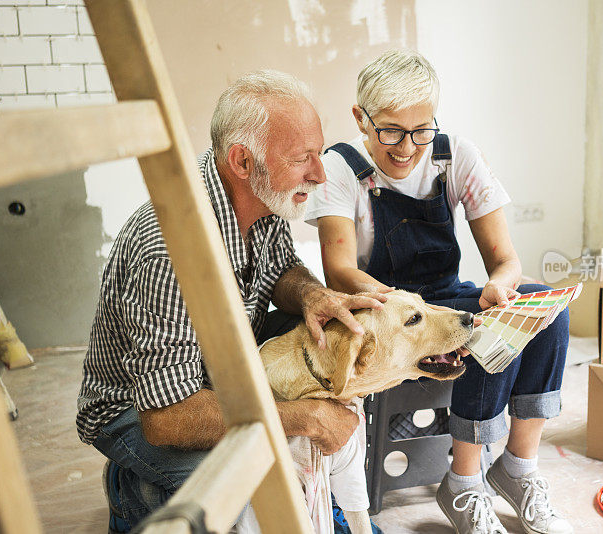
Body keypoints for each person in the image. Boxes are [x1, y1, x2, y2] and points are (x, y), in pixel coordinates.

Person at [76, 70, 387, 532]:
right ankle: (135, 487)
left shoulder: (261, 195)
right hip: (136, 412)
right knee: (261, 486)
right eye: (303, 158)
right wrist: (305, 418)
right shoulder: (170, 252)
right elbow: (166, 418)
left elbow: (280, 265)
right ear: (242, 162)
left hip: (218, 375)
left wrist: (310, 294)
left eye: (319, 153)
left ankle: (319, 504)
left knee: (331, 397)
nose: (320, 174)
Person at [304, 50, 573, 534]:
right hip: (383, 312)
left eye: (421, 130)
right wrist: (405, 308)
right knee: (473, 333)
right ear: (360, 119)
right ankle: (464, 483)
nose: (408, 147)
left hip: (442, 296)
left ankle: (517, 468)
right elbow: (339, 271)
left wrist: (500, 287)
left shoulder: (454, 156)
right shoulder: (341, 168)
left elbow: (506, 261)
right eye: (390, 131)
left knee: (542, 310)